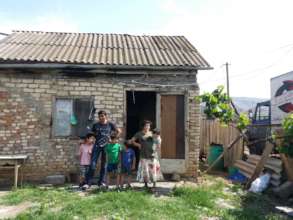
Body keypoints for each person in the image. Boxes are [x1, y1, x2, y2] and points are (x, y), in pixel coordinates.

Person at [87, 110, 121, 187]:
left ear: (105, 116)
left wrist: (113, 140)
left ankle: (101, 182)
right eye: (99, 116)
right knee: (92, 164)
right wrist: (91, 140)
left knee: (104, 165)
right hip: (97, 146)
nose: (101, 118)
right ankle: (88, 182)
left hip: (106, 146)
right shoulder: (96, 125)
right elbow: (91, 135)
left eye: (102, 116)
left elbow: (119, 131)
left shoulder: (110, 124)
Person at [130, 120, 155, 188]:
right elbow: (132, 140)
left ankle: (154, 185)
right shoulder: (139, 133)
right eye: (146, 125)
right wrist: (138, 144)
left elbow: (157, 141)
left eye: (149, 125)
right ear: (143, 126)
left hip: (152, 155)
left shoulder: (152, 133)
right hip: (143, 154)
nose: (148, 127)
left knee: (153, 170)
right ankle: (146, 185)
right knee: (145, 170)